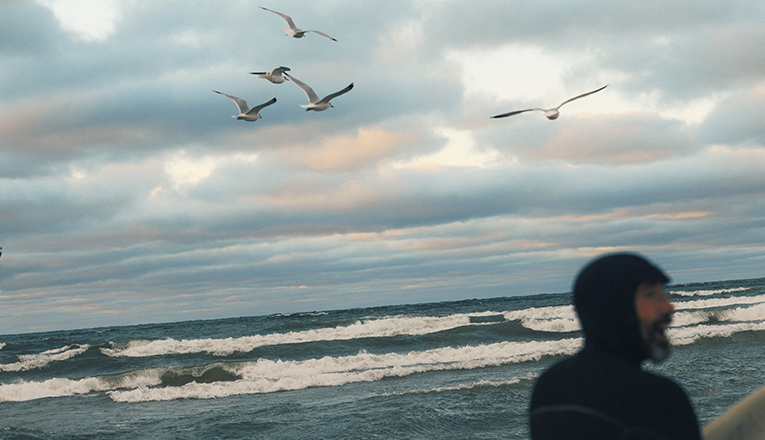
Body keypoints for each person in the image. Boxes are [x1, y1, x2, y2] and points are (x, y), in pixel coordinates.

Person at [529, 252, 701, 439]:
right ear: (616, 307)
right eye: (650, 294)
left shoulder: (549, 386)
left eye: (663, 293)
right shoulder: (658, 397)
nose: (669, 306)